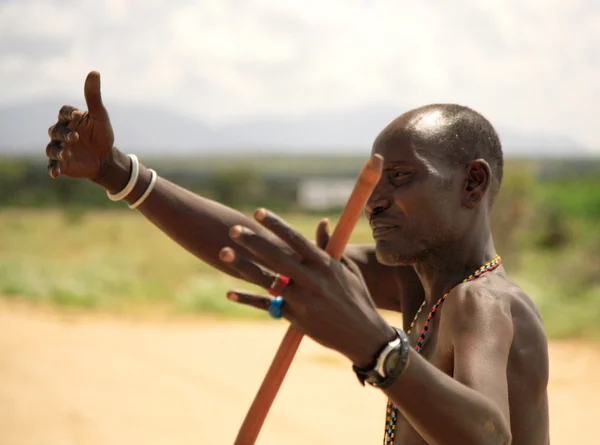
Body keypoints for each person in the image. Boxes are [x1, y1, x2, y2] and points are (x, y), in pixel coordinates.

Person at [45, 71, 550, 445]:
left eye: (400, 177)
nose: (374, 199)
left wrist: (375, 348)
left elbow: (489, 437)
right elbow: (256, 247)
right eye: (374, 180)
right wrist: (118, 174)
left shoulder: (481, 303)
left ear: (472, 183)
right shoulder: (417, 285)